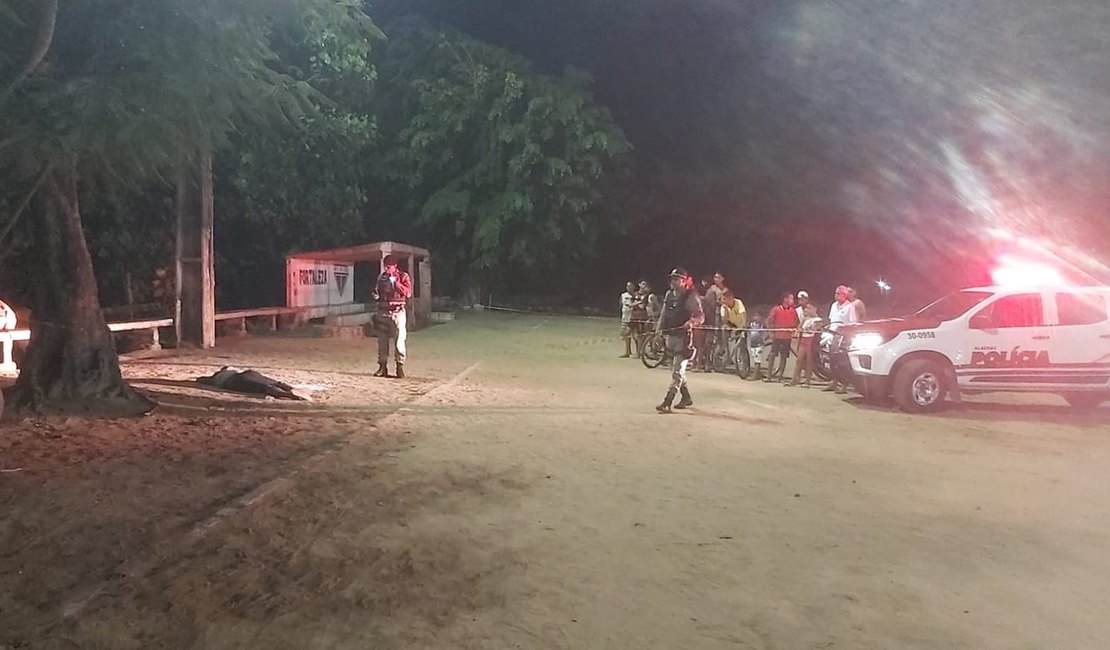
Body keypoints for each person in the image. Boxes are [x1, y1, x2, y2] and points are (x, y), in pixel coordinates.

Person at [655, 267, 704, 413]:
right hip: (670, 336)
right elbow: (663, 315)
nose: (673, 281)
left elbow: (700, 316)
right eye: (672, 278)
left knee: (677, 371)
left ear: (684, 281)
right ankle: (686, 397)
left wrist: (691, 322)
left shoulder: (690, 296)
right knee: (675, 370)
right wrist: (658, 332)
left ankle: (667, 402)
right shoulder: (669, 295)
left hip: (684, 338)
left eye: (676, 279)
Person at [372, 255, 413, 378]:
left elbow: (408, 293)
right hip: (383, 312)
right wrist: (375, 296)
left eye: (389, 267)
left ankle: (399, 366)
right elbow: (377, 292)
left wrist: (396, 283)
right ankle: (382, 367)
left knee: (399, 341)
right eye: (385, 267)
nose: (387, 269)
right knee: (382, 342)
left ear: (395, 266)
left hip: (398, 312)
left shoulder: (403, 276)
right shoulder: (381, 277)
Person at [824, 285, 859, 394]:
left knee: (842, 361)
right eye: (835, 293)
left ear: (844, 295)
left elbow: (852, 323)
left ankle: (844, 384)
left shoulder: (850, 307)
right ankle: (834, 381)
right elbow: (831, 320)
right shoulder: (834, 306)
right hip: (832, 335)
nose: (836, 295)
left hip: (843, 337)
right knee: (832, 360)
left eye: (838, 293)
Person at [764, 292, 799, 382]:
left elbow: (796, 322)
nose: (792, 300)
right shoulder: (776, 309)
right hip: (777, 336)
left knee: (784, 357)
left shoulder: (793, 311)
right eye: (791, 298)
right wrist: (770, 332)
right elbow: (768, 320)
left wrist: (793, 330)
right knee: (772, 355)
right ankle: (768, 376)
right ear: (785, 299)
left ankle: (780, 376)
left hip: (787, 338)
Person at [786, 302, 821, 387]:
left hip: (811, 340)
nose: (807, 310)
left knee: (809, 361)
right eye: (806, 308)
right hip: (803, 340)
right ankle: (794, 379)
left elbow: (814, 329)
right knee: (799, 360)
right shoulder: (806, 319)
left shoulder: (818, 320)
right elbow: (799, 328)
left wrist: (805, 329)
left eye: (809, 308)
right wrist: (802, 323)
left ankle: (807, 381)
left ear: (814, 309)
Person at [619, 281, 637, 358]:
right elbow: (621, 305)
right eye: (627, 286)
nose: (629, 288)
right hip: (625, 318)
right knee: (626, 336)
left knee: (635, 336)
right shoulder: (623, 295)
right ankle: (627, 351)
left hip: (633, 318)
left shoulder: (636, 295)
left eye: (630, 286)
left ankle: (638, 351)